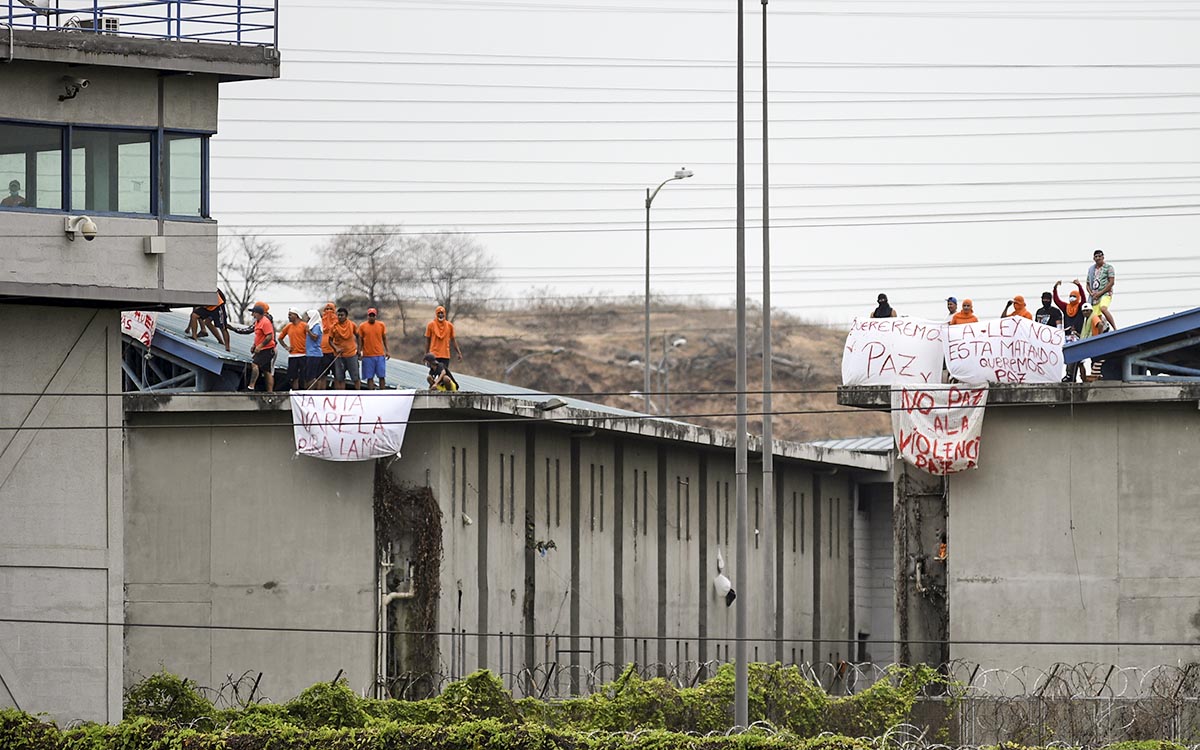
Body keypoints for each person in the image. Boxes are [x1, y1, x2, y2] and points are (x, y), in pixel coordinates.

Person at [424, 305, 463, 387]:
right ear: (436, 314)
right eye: (439, 313)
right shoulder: (431, 325)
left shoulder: (449, 326)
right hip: (434, 355)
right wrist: (426, 355)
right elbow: (427, 341)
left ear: (444, 314)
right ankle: (433, 387)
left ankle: (444, 388)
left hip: (445, 355)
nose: (440, 315)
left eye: (442, 313)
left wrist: (458, 353)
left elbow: (453, 340)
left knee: (444, 375)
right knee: (432, 375)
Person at [328, 307, 361, 390]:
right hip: (339, 356)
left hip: (351, 354)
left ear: (346, 316)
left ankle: (358, 394)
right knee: (340, 378)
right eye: (338, 315)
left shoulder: (352, 325)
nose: (340, 317)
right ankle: (341, 395)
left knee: (355, 377)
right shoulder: (334, 327)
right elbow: (330, 341)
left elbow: (358, 336)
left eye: (342, 315)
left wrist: (359, 349)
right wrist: (336, 348)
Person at [277, 308, 309, 391]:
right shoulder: (288, 326)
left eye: (290, 315)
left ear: (296, 315)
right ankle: (295, 393)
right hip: (293, 355)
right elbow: (280, 338)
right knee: (293, 377)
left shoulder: (304, 325)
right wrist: (286, 347)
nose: (288, 317)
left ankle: (305, 392)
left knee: (304, 377)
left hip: (304, 354)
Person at [359, 307, 390, 390]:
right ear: (367, 316)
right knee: (369, 377)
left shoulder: (381, 325)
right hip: (367, 355)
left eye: (373, 315)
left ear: (376, 316)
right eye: (370, 315)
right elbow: (360, 340)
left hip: (379, 354)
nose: (371, 317)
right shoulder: (362, 326)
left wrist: (387, 350)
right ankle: (371, 393)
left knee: (381, 376)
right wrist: (359, 351)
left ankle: (382, 392)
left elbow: (384, 338)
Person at [247, 304, 276, 392]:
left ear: (258, 313)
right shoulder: (257, 322)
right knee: (266, 371)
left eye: (254, 313)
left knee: (255, 364)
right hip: (261, 348)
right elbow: (259, 336)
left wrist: (260, 346)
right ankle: (269, 392)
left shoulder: (265, 322)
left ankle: (251, 386)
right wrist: (254, 345)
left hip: (267, 349)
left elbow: (269, 336)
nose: (252, 315)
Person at [1086, 249, 1116, 331]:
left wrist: (1101, 292)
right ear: (1093, 258)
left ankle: (1115, 328)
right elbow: (1088, 284)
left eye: (1099, 256)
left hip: (1105, 293)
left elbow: (1111, 282)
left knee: (1103, 308)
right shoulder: (1091, 270)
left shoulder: (1108, 267)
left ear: (1103, 257)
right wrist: (1091, 293)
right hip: (1095, 297)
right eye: (1096, 256)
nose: (1098, 258)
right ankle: (1102, 331)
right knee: (1095, 318)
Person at [318, 302, 338, 388]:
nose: (329, 311)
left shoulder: (337, 322)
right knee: (322, 375)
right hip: (323, 352)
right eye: (327, 309)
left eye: (331, 309)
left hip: (334, 352)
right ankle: (321, 393)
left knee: (338, 375)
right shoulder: (320, 322)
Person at [303, 309, 325, 389]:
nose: (307, 319)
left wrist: (308, 331)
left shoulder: (316, 326)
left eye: (308, 317)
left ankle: (313, 391)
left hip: (314, 354)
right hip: (309, 353)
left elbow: (315, 337)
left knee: (312, 375)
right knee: (308, 375)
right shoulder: (311, 326)